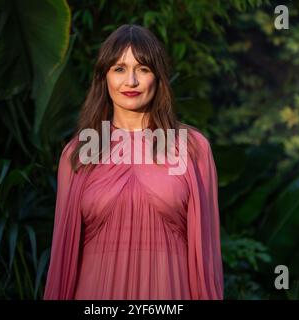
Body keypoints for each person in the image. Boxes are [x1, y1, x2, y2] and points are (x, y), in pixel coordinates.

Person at [43, 24, 223, 300]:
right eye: (119, 68)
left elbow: (206, 255)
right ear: (104, 78)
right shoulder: (78, 154)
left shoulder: (192, 148)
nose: (131, 82)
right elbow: (63, 255)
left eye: (143, 68)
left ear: (158, 77)